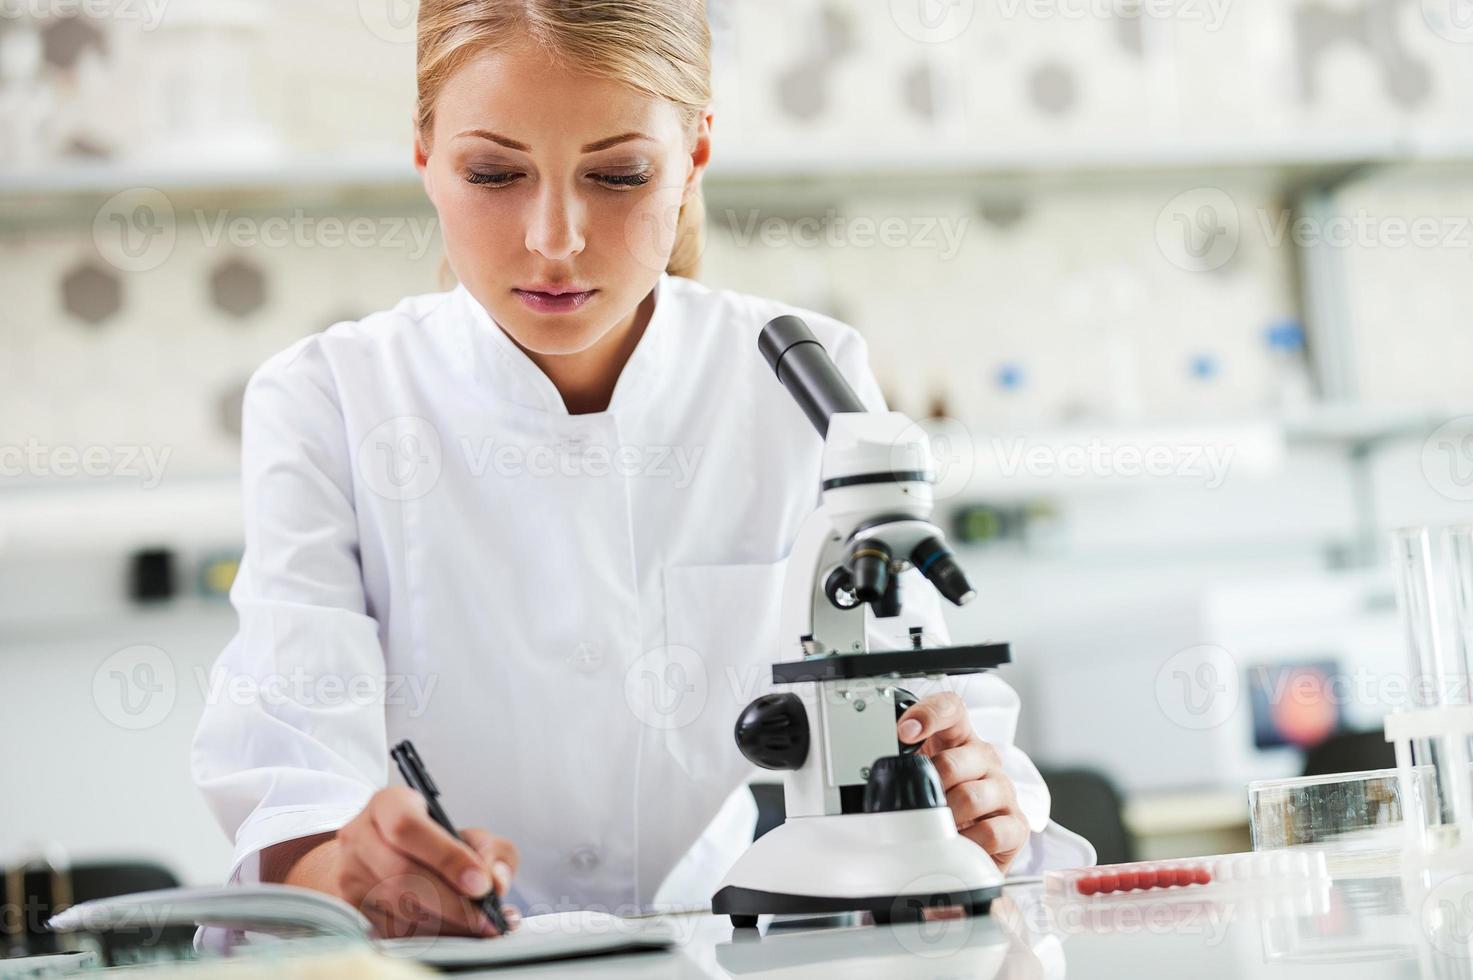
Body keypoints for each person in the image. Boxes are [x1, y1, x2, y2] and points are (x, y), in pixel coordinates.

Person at [191, 0, 1093, 939]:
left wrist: (979, 803)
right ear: (424, 154)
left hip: (716, 943)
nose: (554, 237)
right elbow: (295, 764)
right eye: (493, 172)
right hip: (439, 956)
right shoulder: (328, 398)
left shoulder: (803, 378)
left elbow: (922, 682)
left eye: (618, 174)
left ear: (696, 153)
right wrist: (351, 865)